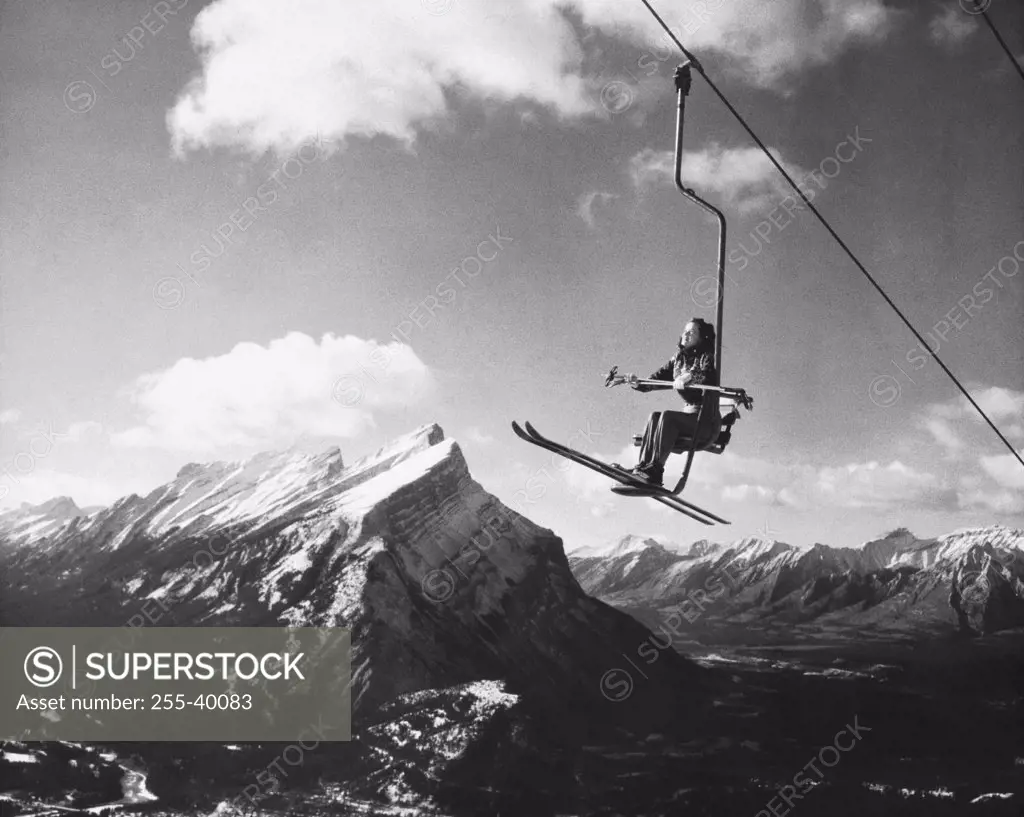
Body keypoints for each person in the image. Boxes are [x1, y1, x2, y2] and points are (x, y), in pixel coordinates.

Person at [616, 318, 719, 487]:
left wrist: (692, 376)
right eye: (685, 331)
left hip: (706, 420)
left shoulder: (706, 357)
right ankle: (643, 468)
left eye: (692, 332)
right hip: (690, 417)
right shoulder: (678, 360)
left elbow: (708, 375)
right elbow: (656, 379)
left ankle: (655, 471)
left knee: (668, 417)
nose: (686, 335)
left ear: (701, 338)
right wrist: (638, 383)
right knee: (655, 417)